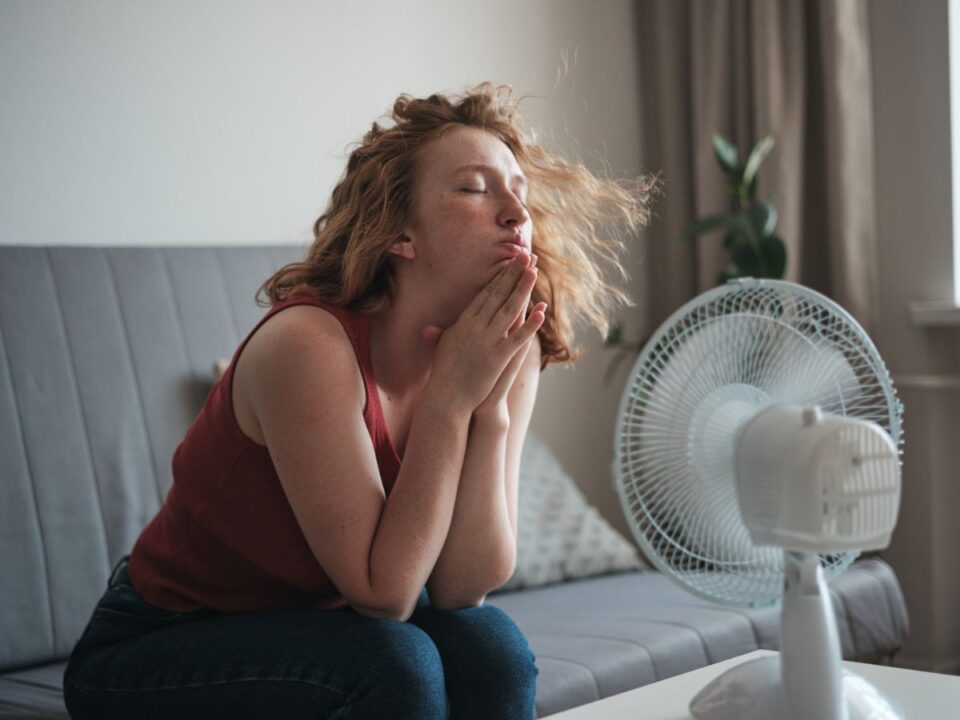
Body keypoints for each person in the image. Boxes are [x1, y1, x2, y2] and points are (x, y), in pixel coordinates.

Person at [62, 82, 655, 719]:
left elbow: (463, 587)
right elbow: (385, 596)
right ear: (400, 233)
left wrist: (489, 406)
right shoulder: (308, 346)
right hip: (159, 642)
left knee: (495, 650)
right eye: (476, 188)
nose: (516, 212)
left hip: (324, 622)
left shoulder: (510, 349)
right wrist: (450, 401)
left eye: (521, 193)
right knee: (393, 664)